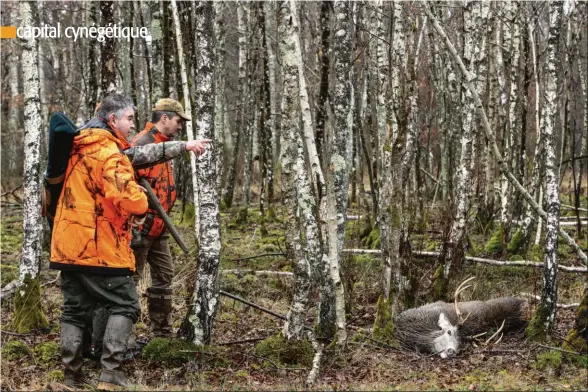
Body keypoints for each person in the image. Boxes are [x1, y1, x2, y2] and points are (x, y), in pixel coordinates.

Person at [50, 93, 147, 390]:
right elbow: (128, 199)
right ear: (112, 119)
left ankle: (72, 375)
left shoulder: (75, 146)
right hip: (100, 248)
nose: (133, 125)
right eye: (129, 119)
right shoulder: (109, 152)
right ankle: (111, 373)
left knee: (74, 310)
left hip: (67, 246)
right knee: (126, 304)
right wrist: (142, 200)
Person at [130, 98, 207, 337]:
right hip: (139, 228)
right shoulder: (141, 144)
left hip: (160, 228)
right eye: (178, 121)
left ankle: (161, 331)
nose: (180, 126)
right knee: (130, 282)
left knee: (164, 276)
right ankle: (124, 337)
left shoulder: (165, 145)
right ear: (164, 118)